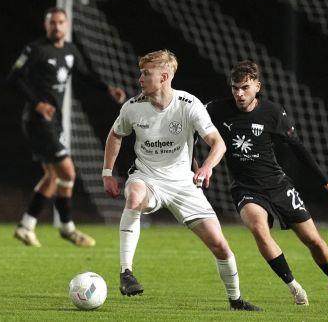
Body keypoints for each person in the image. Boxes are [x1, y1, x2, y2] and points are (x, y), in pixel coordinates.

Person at [102, 50, 260, 311]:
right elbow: (115, 135)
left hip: (183, 185)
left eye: (146, 73)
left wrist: (207, 167)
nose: (140, 78)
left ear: (164, 76)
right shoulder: (132, 107)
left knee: (220, 246)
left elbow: (218, 143)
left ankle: (236, 300)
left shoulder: (188, 105)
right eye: (141, 73)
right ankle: (126, 272)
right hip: (147, 177)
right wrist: (107, 173)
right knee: (134, 197)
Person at [204, 60, 328, 306]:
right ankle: (295, 288)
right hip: (246, 189)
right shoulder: (217, 109)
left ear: (257, 86)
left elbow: (297, 147)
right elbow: (191, 124)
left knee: (314, 241)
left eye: (245, 87)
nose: (239, 93)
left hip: (278, 186)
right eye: (235, 87)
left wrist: (326, 183)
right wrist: (196, 160)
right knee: (259, 229)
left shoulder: (272, 112)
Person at [8, 7, 126, 247]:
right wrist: (37, 104)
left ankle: (26, 226)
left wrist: (107, 89)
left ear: (67, 24)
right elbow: (14, 77)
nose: (57, 27)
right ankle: (67, 227)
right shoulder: (36, 50)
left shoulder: (71, 51)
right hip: (38, 121)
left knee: (52, 176)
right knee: (68, 173)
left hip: (54, 122)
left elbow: (83, 75)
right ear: (46, 25)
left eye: (61, 22)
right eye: (53, 23)